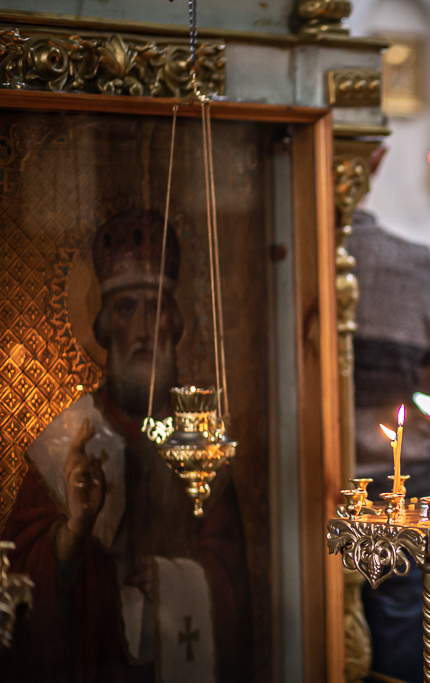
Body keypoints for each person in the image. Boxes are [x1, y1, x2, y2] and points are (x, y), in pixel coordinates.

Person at [2, 210, 252, 683]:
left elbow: (235, 575)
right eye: (126, 308)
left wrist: (181, 584)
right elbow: (17, 578)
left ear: (175, 324)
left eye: (155, 307)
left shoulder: (200, 440)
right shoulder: (69, 438)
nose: (142, 329)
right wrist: (72, 532)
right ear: (102, 327)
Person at [348, 147, 430, 683]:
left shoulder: (281, 249)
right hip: (398, 479)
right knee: (405, 632)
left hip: (304, 479)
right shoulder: (412, 263)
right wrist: (412, 374)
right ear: (376, 161)